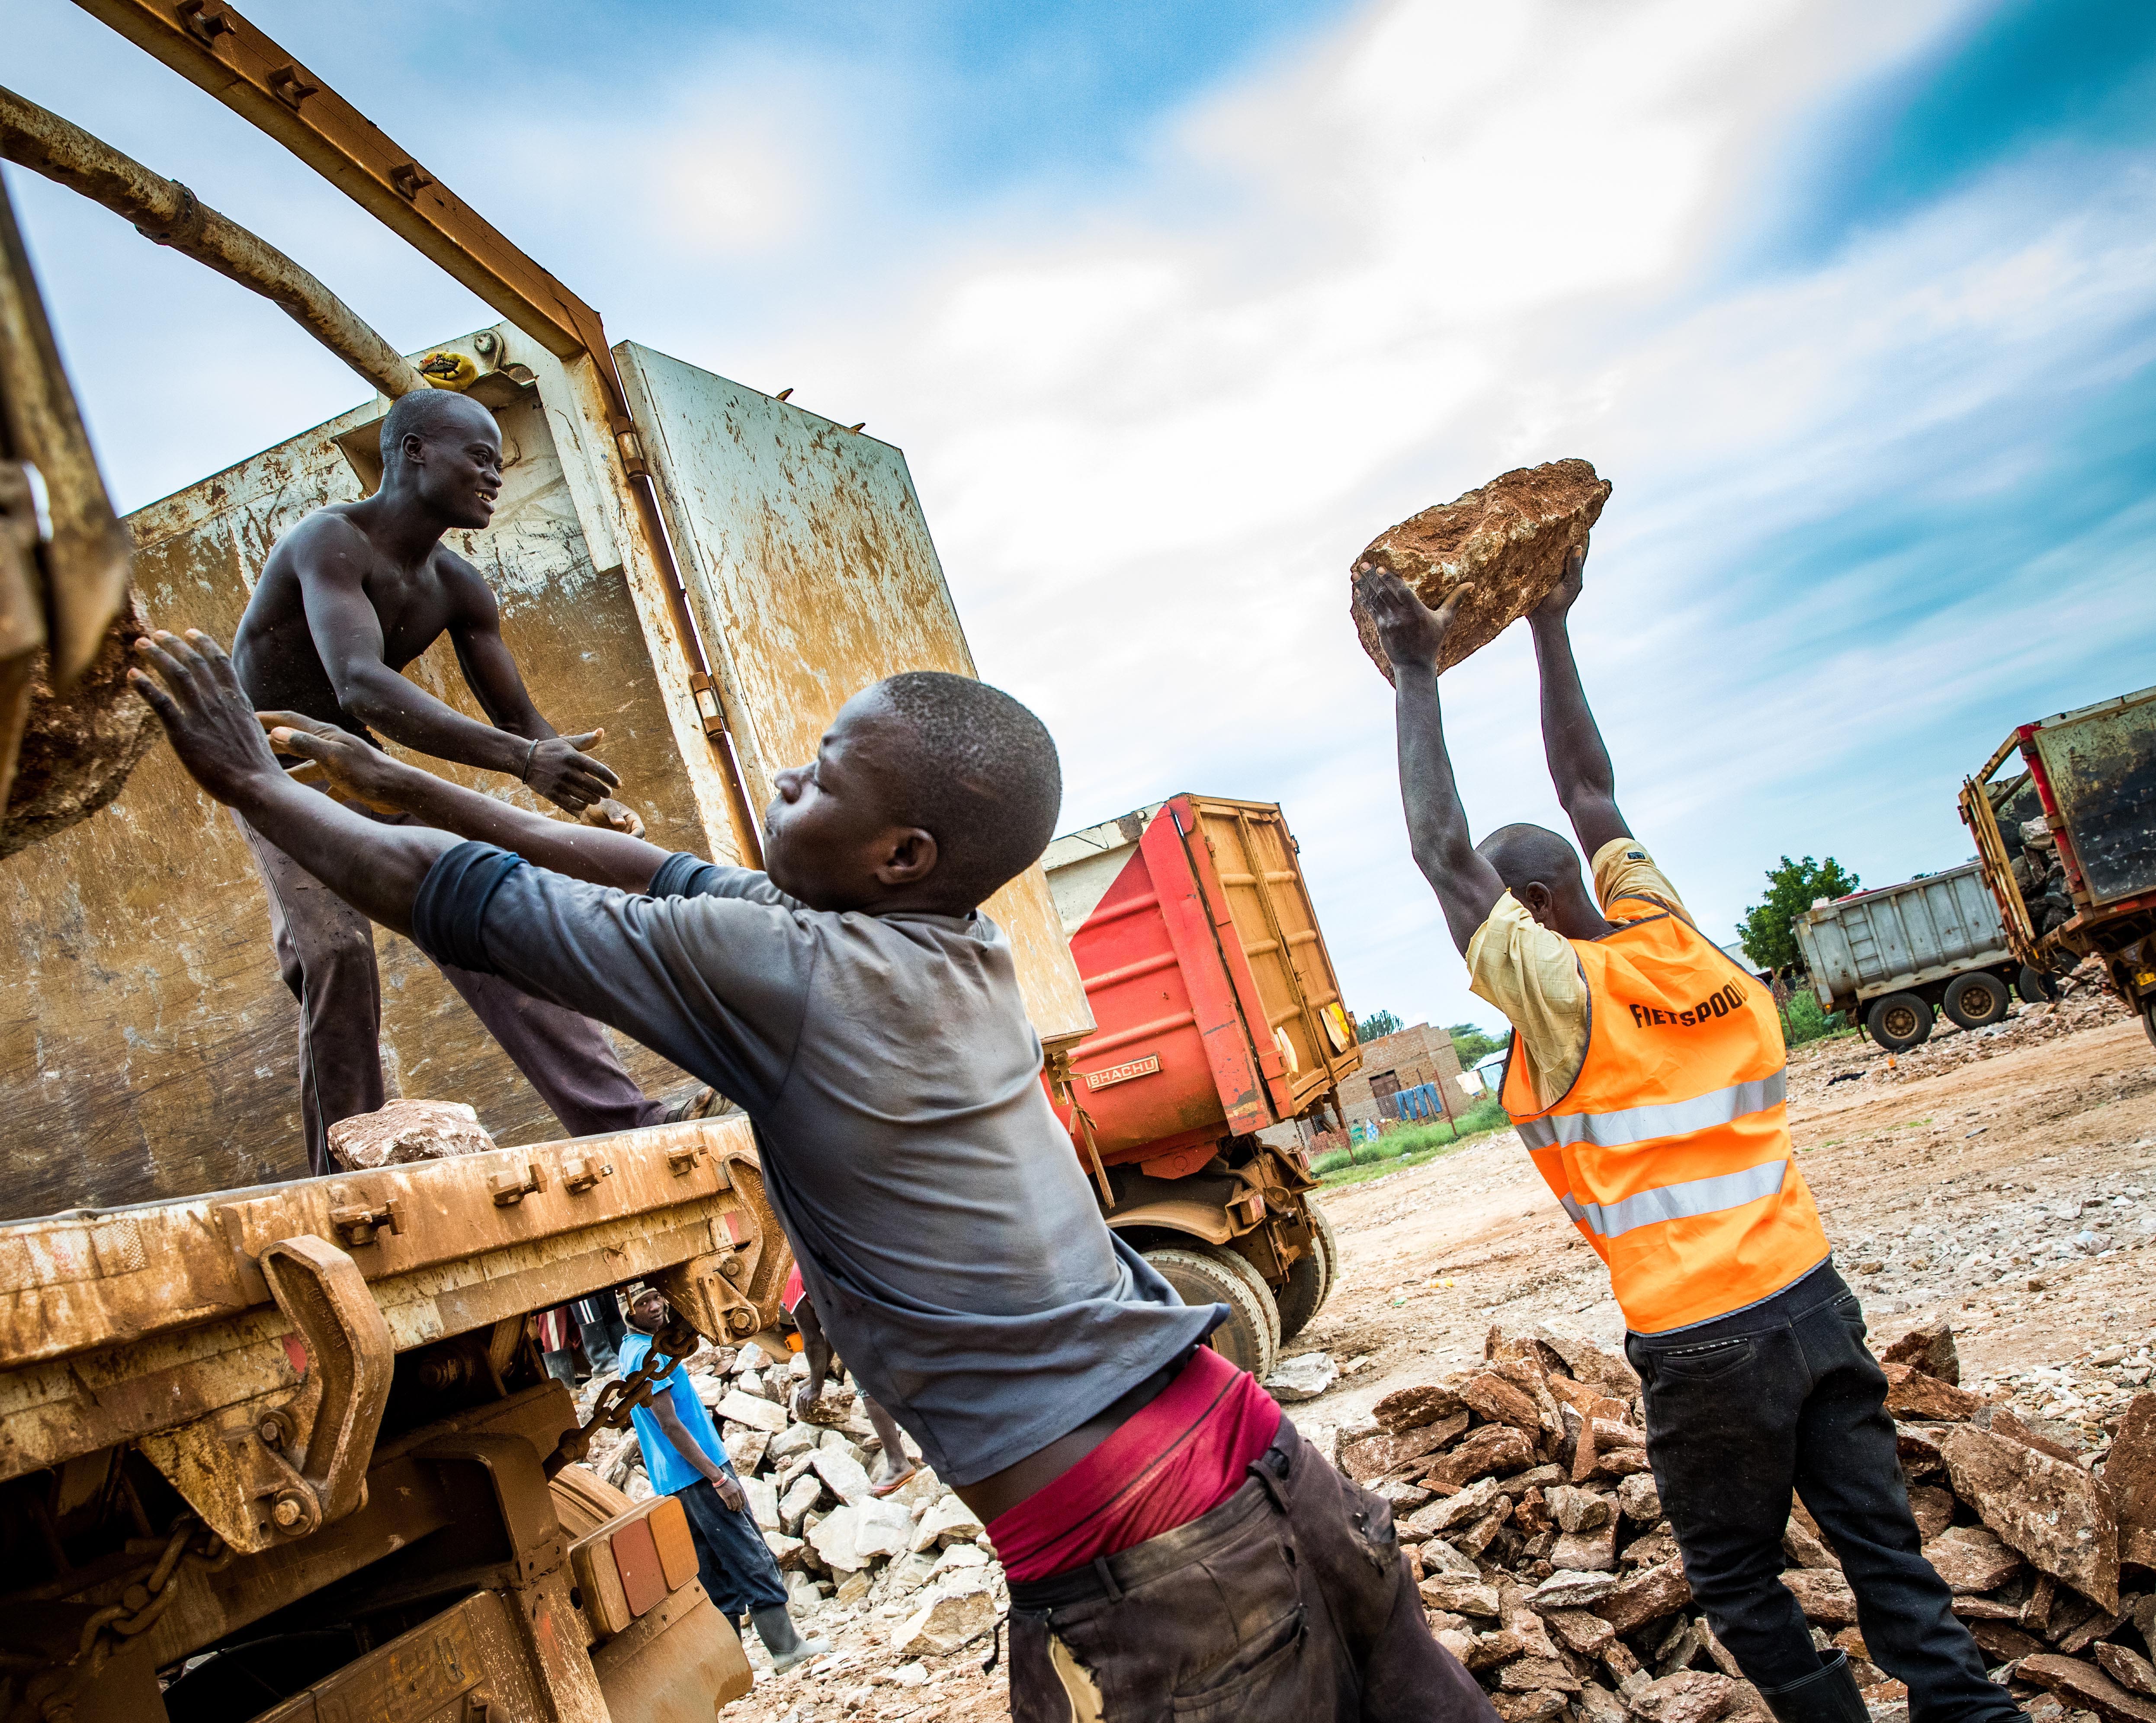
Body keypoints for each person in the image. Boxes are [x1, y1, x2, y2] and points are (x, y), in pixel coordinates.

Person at [129, 630, 1492, 1723]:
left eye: (818, 776)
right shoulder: (946, 949)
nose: (785, 781)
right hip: (1265, 1463)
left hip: (1159, 1562)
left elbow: (470, 894)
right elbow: (646, 868)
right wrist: (397, 771)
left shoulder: (795, 977)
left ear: (899, 854)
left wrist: (254, 783)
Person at [1359, 550, 2022, 1723]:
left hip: (1705, 1340)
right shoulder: (1682, 940)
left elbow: (1439, 852)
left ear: (1536, 912)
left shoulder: (1562, 995)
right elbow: (1591, 791)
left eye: (1503, 919)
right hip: (1815, 1300)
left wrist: (1415, 672)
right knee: (1886, 1554)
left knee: (1730, 1574)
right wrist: (1550, 622)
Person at [228, 387, 665, 1173]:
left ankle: (623, 1119)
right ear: (414, 451)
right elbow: (360, 682)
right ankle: (349, 1173)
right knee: (333, 952)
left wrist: (586, 792)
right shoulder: (330, 542)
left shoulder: (459, 587)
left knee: (484, 909)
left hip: (351, 753)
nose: (494, 476)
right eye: (479, 456)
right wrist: (524, 761)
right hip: (269, 761)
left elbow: (524, 726)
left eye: (499, 462)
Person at [616, 1284, 828, 1671]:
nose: (655, 1307)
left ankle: (731, 1667)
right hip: (699, 1475)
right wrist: (717, 1478)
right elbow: (671, 1425)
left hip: (675, 1483)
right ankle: (786, 1648)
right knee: (750, 1556)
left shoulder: (631, 1351)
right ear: (627, 1312)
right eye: (642, 1303)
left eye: (655, 1297)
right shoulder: (645, 1355)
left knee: (715, 1572)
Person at [780, 1262, 918, 1496]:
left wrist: (816, 1387)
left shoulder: (787, 1283)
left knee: (869, 1389)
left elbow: (813, 1339)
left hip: (861, 1320)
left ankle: (898, 1464)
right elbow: (829, 1331)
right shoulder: (799, 1262)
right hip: (882, 1305)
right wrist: (818, 1375)